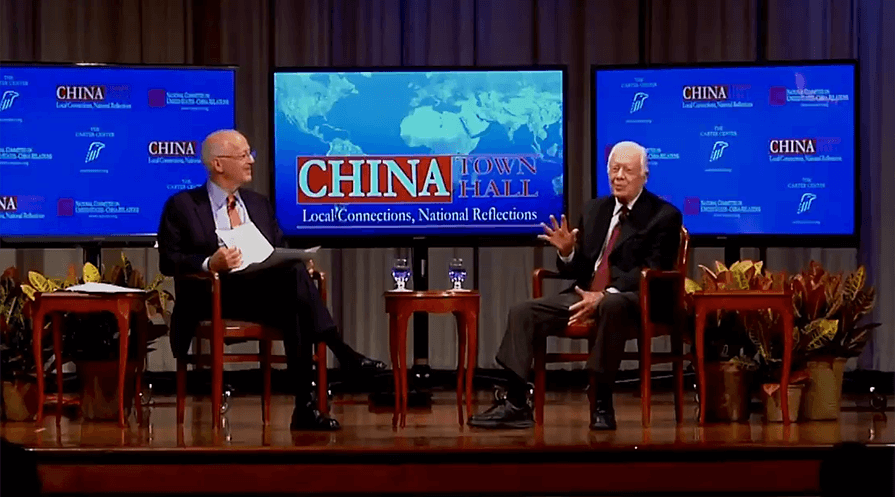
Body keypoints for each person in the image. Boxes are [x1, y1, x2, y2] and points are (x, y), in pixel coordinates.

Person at [157, 129, 385, 431]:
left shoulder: (258, 204)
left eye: (250, 153)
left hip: (260, 293)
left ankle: (306, 406)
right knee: (294, 291)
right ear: (218, 164)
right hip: (211, 294)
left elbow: (278, 247)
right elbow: (169, 260)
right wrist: (209, 262)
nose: (251, 160)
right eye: (243, 155)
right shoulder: (183, 205)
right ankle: (340, 356)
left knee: (294, 286)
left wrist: (301, 261)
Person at [468, 141, 682, 430]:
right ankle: (516, 403)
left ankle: (602, 402)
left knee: (612, 304)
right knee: (523, 312)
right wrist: (567, 251)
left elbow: (653, 269)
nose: (619, 176)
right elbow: (579, 270)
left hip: (635, 300)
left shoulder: (664, 215)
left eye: (627, 170)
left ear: (644, 175)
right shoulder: (595, 210)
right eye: (614, 169)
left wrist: (604, 294)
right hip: (583, 295)